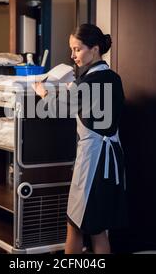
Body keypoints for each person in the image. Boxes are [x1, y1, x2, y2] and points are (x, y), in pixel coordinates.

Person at [32, 24, 128, 254]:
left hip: (93, 163)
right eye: (72, 49)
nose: (72, 55)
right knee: (99, 228)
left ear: (94, 49)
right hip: (111, 159)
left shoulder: (89, 82)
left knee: (75, 224)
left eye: (77, 49)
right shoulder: (113, 78)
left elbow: (56, 108)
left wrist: (43, 93)